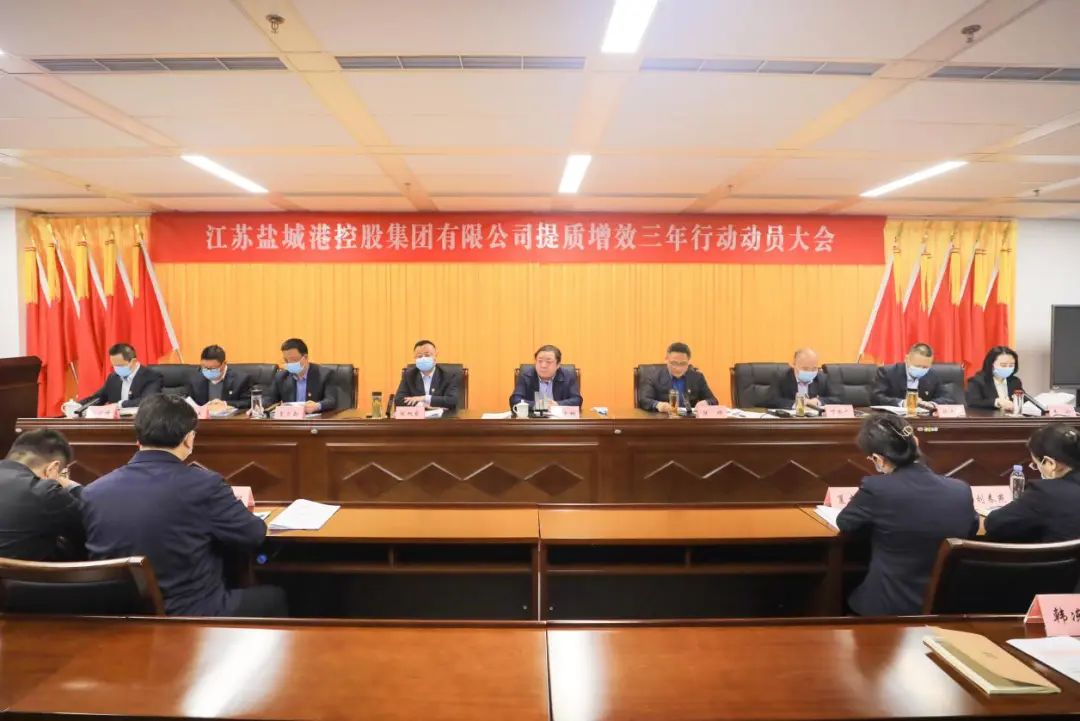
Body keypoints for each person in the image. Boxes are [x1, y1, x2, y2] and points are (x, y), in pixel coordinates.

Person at [81, 394, 286, 617]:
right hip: (190, 615)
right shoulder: (204, 485)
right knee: (274, 597)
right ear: (189, 439)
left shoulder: (93, 492)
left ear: (138, 439)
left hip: (117, 616)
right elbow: (253, 534)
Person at [837, 413, 978, 616]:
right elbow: (972, 527)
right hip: (945, 610)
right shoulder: (961, 489)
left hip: (887, 610)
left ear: (877, 459)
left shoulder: (877, 488)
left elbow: (846, 523)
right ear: (916, 442)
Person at [984, 423, 1080, 543]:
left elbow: (994, 524)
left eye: (1036, 464)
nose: (1037, 468)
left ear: (1050, 463)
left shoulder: (1046, 493)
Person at [0, 429, 85, 561]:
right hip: (19, 573)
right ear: (53, 468)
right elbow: (88, 527)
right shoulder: (45, 491)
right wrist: (72, 487)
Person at [65, 343, 163, 412]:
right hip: (116, 425)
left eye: (120, 365)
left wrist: (120, 404)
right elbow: (98, 398)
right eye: (114, 366)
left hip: (140, 424)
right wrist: (78, 405)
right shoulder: (113, 378)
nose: (117, 369)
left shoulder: (151, 376)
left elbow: (147, 401)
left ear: (133, 361)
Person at [637, 342, 719, 413]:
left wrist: (706, 402)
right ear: (666, 359)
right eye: (674, 363)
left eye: (683, 363)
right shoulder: (653, 376)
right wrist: (658, 405)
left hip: (689, 421)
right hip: (663, 420)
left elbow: (713, 400)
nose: (678, 368)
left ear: (688, 362)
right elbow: (643, 400)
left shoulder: (697, 377)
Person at [265, 338, 338, 413]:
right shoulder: (281, 376)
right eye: (286, 360)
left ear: (305, 357)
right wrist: (260, 406)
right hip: (290, 418)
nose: (289, 363)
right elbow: (269, 400)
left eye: (293, 360)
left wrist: (317, 406)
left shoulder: (324, 374)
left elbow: (331, 401)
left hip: (315, 418)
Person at [871, 342, 954, 408]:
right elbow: (876, 397)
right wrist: (902, 403)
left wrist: (931, 404)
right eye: (917, 366)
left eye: (925, 367)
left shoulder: (932, 375)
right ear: (907, 359)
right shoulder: (887, 372)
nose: (921, 369)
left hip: (922, 419)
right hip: (893, 419)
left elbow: (948, 398)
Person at [394, 339, 461, 411]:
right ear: (415, 359)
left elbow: (452, 400)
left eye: (427, 355)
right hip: (419, 417)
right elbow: (399, 400)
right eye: (419, 356)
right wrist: (421, 405)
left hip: (443, 417)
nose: (423, 359)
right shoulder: (409, 375)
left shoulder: (448, 375)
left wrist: (424, 398)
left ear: (435, 357)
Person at [509, 345, 582, 409]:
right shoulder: (526, 376)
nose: (543, 365)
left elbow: (577, 400)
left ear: (558, 365)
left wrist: (557, 404)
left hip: (560, 419)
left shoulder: (568, 376)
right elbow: (515, 400)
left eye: (549, 362)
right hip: (533, 418)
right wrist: (536, 405)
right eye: (540, 361)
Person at [186, 344, 252, 412]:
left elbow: (249, 402)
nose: (208, 371)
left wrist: (225, 404)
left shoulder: (241, 379)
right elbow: (188, 401)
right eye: (204, 367)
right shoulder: (194, 379)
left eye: (212, 368)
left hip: (228, 418)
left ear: (224, 363)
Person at [767, 348, 837, 409]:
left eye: (814, 368)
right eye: (805, 368)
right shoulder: (781, 377)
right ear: (794, 364)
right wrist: (798, 404)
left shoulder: (822, 378)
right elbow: (771, 400)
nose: (810, 372)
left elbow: (837, 399)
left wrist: (818, 401)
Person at [965, 346, 1024, 412]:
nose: (1008, 368)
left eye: (1011, 365)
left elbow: (1024, 400)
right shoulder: (977, 381)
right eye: (1003, 365)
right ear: (991, 364)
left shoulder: (1015, 381)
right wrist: (997, 402)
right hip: (987, 418)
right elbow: (972, 402)